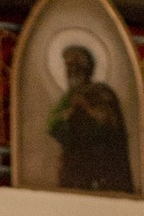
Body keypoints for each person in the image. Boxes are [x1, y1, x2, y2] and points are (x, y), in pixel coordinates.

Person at [47, 41, 137, 194]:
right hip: (73, 167)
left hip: (100, 166)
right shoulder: (68, 98)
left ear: (86, 69)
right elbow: (52, 125)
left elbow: (109, 122)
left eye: (76, 66)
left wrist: (87, 108)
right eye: (68, 67)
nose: (71, 71)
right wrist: (68, 113)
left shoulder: (101, 92)